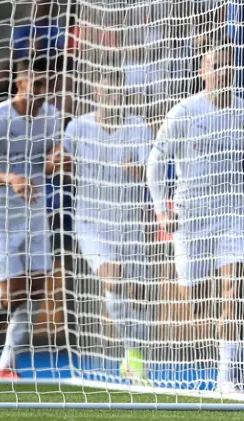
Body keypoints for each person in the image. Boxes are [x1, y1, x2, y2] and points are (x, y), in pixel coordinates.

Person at [146, 39, 244, 393]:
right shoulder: (185, 111)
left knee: (233, 293)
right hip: (190, 216)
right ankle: (222, 357)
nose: (224, 71)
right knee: (200, 303)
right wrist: (162, 211)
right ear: (203, 72)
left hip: (231, 214)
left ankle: (226, 379)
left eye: (228, 65)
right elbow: (155, 163)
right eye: (216, 65)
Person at [0, 56, 65, 379]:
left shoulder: (52, 117)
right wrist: (11, 179)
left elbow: (48, 160)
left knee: (36, 291)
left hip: (34, 210)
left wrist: (57, 163)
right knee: (13, 294)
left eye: (46, 85)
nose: (41, 92)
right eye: (35, 85)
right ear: (19, 83)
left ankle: (6, 367)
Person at [63, 69, 154, 382]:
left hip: (129, 221)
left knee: (139, 292)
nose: (110, 98)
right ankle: (133, 357)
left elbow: (151, 173)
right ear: (95, 95)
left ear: (123, 96)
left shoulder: (138, 127)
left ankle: (134, 352)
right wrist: (57, 163)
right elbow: (56, 162)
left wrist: (138, 170)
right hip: (91, 221)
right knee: (113, 280)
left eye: (115, 93)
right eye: (105, 92)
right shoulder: (77, 128)